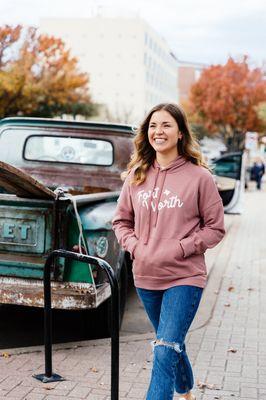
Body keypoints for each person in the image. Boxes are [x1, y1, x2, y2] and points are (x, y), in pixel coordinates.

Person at [112, 103, 225, 400]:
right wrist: (136, 246)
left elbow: (215, 227)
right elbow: (121, 221)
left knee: (164, 350)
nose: (158, 131)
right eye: (152, 125)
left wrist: (181, 248)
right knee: (171, 343)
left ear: (180, 133)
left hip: (184, 277)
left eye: (165, 125)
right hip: (146, 277)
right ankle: (186, 389)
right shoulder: (137, 174)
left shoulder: (199, 177)